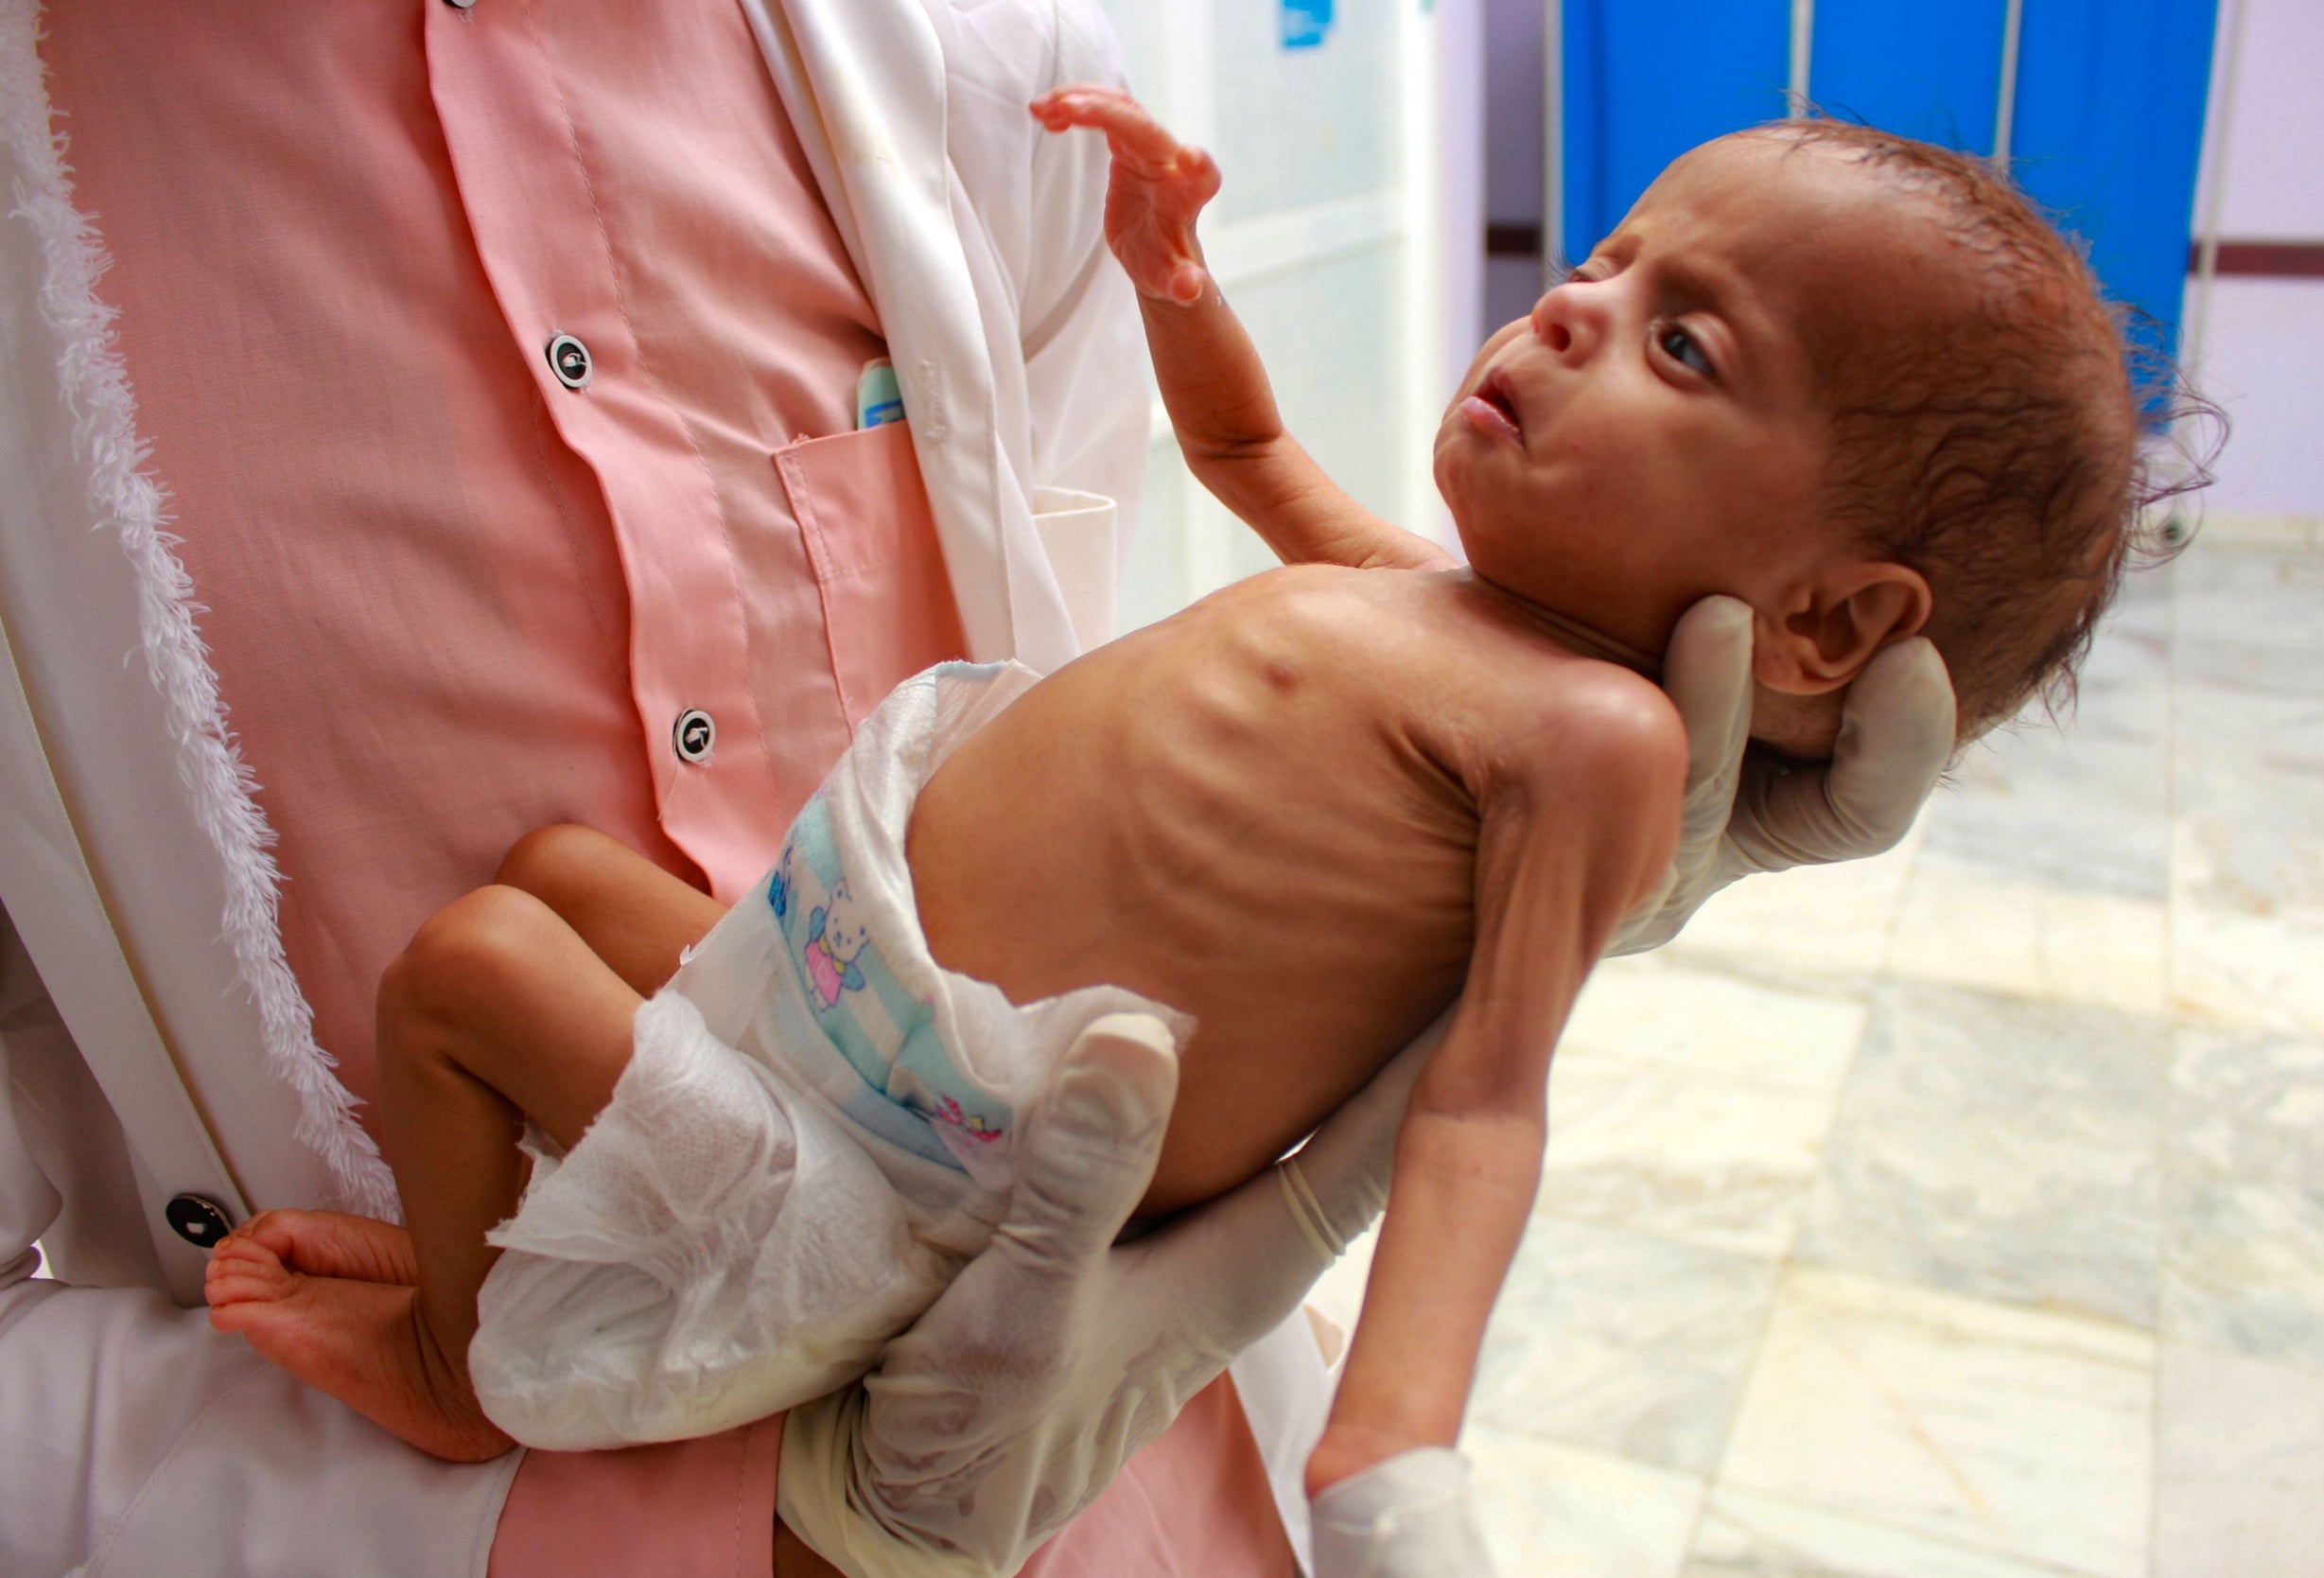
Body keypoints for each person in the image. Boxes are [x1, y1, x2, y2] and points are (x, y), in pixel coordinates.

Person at [199, 83, 2141, 1575]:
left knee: (468, 969)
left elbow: (1478, 1102)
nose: (1565, 310)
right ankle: (531, 1254)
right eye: (1606, 261)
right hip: (818, 991)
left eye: (1680, 343)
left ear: (1818, 627)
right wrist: (1176, 282)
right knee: (547, 878)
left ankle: (469, 1374)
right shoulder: (1432, 602)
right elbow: (1239, 455)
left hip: (902, 1168)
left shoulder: (1589, 738)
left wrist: (1395, 1437)